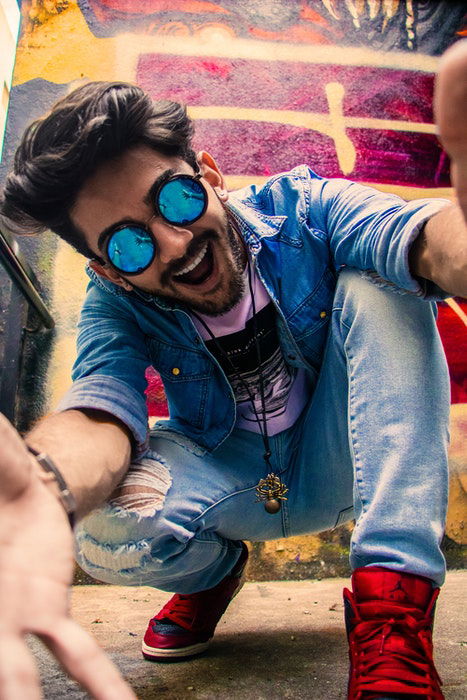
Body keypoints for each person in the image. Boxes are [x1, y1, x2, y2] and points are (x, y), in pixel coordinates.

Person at [0, 40, 465, 700]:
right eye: (128, 244)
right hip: (231, 482)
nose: (174, 241)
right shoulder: (117, 302)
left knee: (382, 277)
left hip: (348, 459)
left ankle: (392, 613)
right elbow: (102, 406)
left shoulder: (307, 210)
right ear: (106, 269)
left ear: (211, 175)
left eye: (178, 200)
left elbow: (419, 239)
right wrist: (45, 484)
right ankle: (211, 575)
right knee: (102, 526)